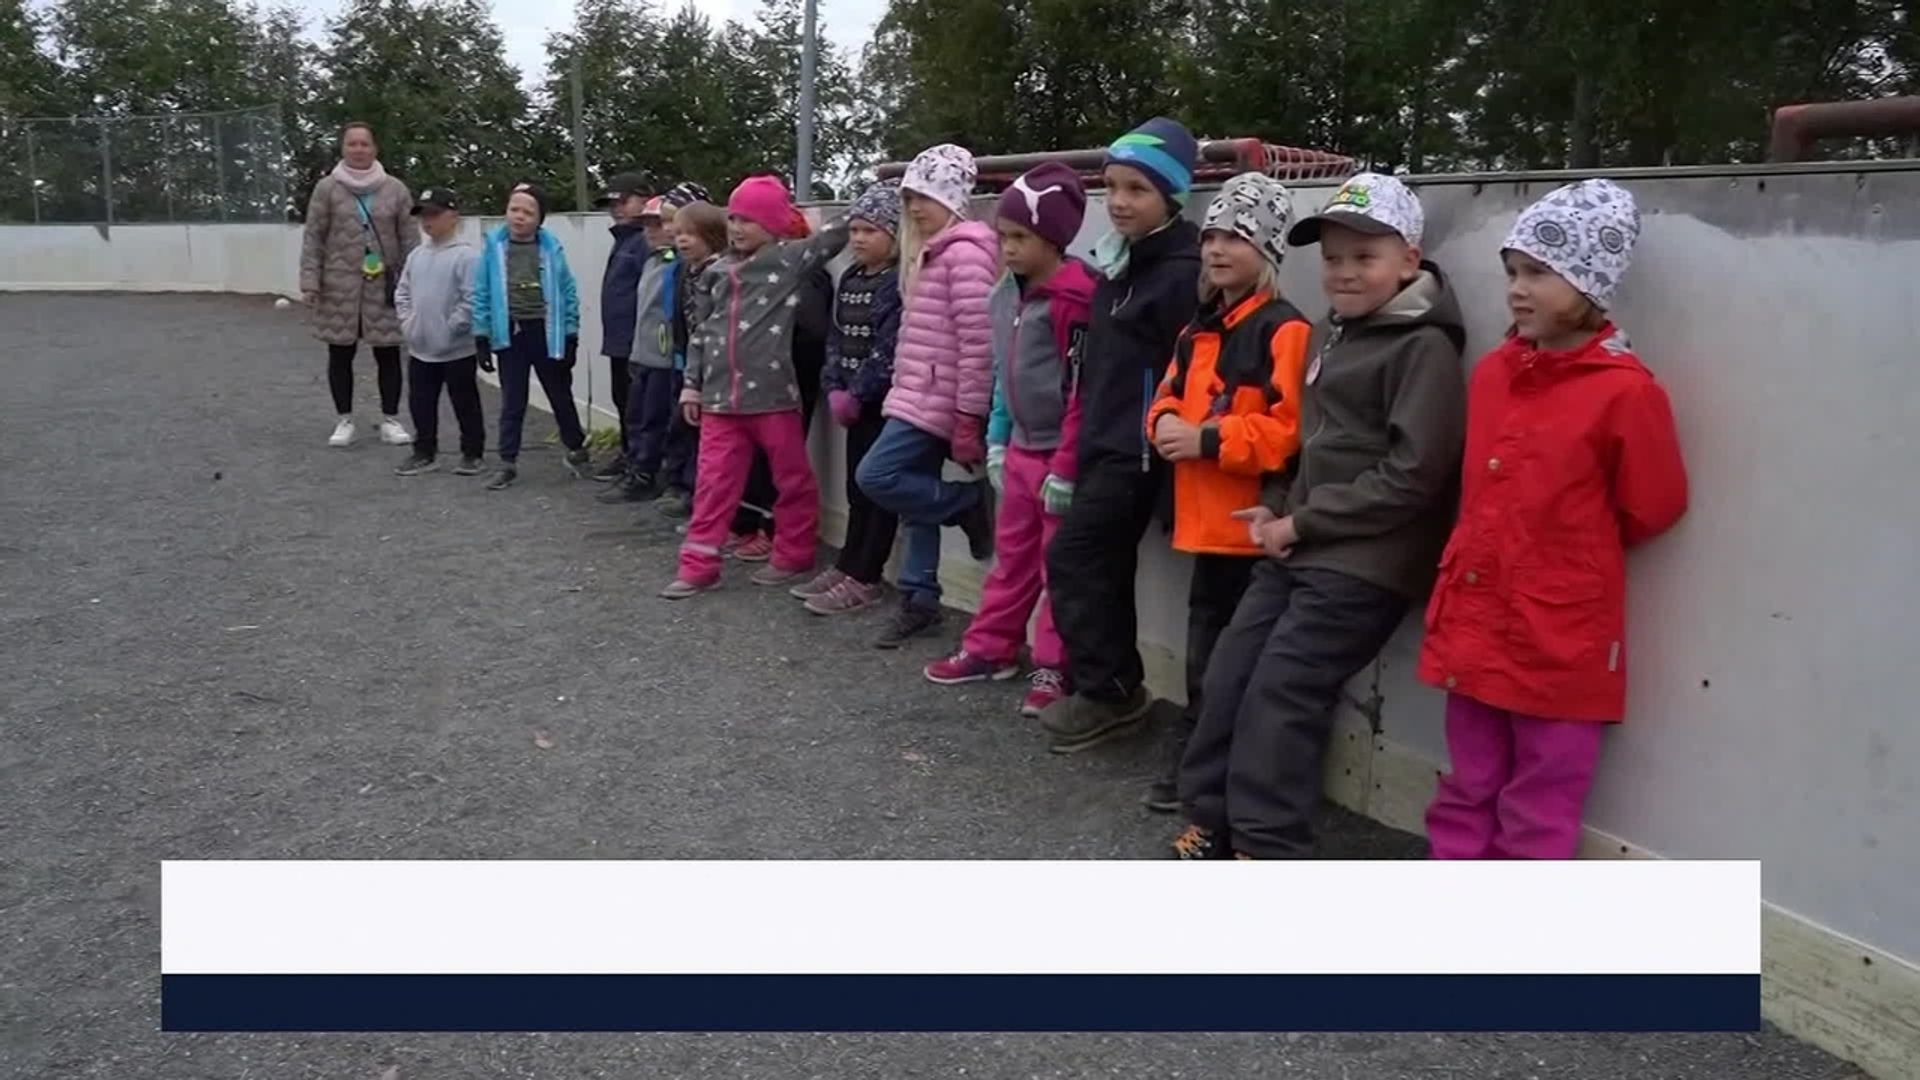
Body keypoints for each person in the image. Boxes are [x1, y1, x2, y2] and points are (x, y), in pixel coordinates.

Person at [1171, 173, 1467, 860]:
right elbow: (1308, 445)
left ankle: (1269, 845)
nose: (1345, 272)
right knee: (1230, 672)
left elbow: (1413, 475)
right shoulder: (1332, 333)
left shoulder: (1424, 348)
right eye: (1333, 258)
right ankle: (1213, 816)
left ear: (1409, 260)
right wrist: (1277, 506)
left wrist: (1300, 523)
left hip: (1366, 562)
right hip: (1299, 542)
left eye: (1365, 257)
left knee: (1283, 690)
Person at [1420, 180, 1687, 860]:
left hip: (1560, 638)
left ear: (1590, 281)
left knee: (1542, 800)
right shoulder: (1495, 372)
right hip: (1477, 621)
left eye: (1539, 273)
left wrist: (1564, 557)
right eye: (1513, 271)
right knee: (1467, 782)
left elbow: (1653, 505)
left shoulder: (1626, 392)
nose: (1517, 289)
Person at [1141, 172, 1313, 811]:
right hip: (1204, 526)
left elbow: (1288, 432)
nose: (1216, 248)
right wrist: (1163, 426)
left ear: (1266, 250)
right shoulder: (1197, 329)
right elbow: (1163, 395)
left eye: (1236, 237)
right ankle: (1199, 759)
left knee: (1232, 663)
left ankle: (1211, 767)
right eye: (1211, 235)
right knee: (1204, 657)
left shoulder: (1284, 329)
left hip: (1247, 528)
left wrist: (1205, 439)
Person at [1037, 117, 1202, 752]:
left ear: (1172, 194)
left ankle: (1111, 691)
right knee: (1098, 565)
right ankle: (1109, 687)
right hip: (1101, 443)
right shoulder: (1121, 266)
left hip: (1138, 454)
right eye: (1112, 187)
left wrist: (1166, 465)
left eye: (1138, 188)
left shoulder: (1181, 273)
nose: (1121, 201)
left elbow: (1189, 373)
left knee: (1076, 557)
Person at [922, 163, 1094, 719]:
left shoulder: (1078, 300)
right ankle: (990, 647)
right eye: (1004, 236)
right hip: (1019, 449)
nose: (1009, 248)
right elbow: (1002, 371)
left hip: (1060, 458)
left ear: (1054, 238)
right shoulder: (1003, 297)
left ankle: (1054, 665)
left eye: (1021, 237)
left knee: (1058, 567)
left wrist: (1067, 466)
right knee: (1011, 559)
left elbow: (1084, 391)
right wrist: (997, 437)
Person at [660, 175, 848, 599]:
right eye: (733, 218)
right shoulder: (715, 272)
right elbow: (702, 333)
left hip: (773, 398)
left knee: (792, 480)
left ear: (774, 224)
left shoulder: (787, 261)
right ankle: (698, 566)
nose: (738, 227)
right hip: (719, 403)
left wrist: (885, 191)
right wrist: (692, 385)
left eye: (749, 220)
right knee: (713, 486)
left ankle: (794, 553)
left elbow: (835, 237)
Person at [852, 144, 999, 650]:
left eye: (926, 197)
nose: (915, 207)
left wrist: (968, 415)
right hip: (919, 392)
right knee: (915, 502)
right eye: (910, 197)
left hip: (937, 400)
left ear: (954, 198)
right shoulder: (932, 252)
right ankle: (920, 598)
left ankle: (965, 503)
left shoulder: (965, 254)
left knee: (876, 476)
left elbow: (979, 342)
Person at [791, 183, 905, 616]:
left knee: (876, 492)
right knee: (855, 488)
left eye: (870, 231)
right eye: (854, 230)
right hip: (852, 405)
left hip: (883, 406)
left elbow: (888, 349)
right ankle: (848, 563)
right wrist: (834, 385)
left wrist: (858, 393)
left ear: (895, 234)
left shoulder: (897, 283)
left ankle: (867, 576)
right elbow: (836, 338)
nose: (858, 238)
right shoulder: (851, 277)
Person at [299, 120, 417, 449]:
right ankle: (344, 419)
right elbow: (314, 236)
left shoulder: (396, 189)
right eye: (352, 143)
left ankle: (391, 419)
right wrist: (310, 280)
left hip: (385, 284)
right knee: (340, 353)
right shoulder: (327, 189)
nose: (359, 149)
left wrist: (414, 281)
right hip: (338, 283)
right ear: (343, 148)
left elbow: (410, 238)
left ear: (375, 148)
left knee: (388, 353)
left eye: (365, 143)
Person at [728, 213, 836, 558]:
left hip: (791, 380)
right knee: (754, 457)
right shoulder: (755, 271)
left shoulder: (805, 277)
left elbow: (812, 329)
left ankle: (772, 530)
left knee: (781, 464)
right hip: (763, 380)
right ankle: (747, 523)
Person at [471, 182, 589, 491]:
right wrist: (481, 336)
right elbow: (481, 292)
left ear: (540, 219)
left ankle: (576, 449)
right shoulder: (494, 249)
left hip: (546, 333)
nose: (519, 216)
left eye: (528, 212)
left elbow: (568, 292)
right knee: (513, 400)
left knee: (559, 394)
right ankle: (507, 462)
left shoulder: (551, 249)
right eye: (514, 209)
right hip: (510, 334)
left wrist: (571, 335)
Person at [599, 189, 691, 503]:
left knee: (659, 421)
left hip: (667, 360)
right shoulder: (652, 261)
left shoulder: (680, 265)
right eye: (647, 224)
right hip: (644, 355)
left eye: (659, 223)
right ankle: (639, 467)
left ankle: (652, 476)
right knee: (637, 416)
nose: (650, 231)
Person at [392, 187, 485, 477]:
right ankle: (424, 451)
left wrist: (452, 328)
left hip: (457, 349)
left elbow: (472, 299)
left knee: (465, 402)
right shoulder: (417, 256)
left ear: (453, 216)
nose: (426, 221)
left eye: (433, 214)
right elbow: (402, 293)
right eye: (422, 215)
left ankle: (472, 452)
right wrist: (409, 323)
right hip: (420, 347)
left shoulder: (467, 257)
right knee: (420, 402)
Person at [655, 199, 729, 521]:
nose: (682, 240)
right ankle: (688, 491)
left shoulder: (719, 272)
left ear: (711, 235)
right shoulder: (688, 269)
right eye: (678, 233)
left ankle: (702, 502)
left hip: (715, 370)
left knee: (705, 440)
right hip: (689, 362)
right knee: (685, 429)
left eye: (691, 234)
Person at [589, 172, 655, 480]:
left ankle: (640, 462)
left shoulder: (644, 241)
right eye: (612, 204)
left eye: (623, 201)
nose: (616, 209)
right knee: (623, 400)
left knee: (637, 406)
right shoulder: (624, 240)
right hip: (619, 340)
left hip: (636, 342)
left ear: (645, 200)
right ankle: (629, 453)